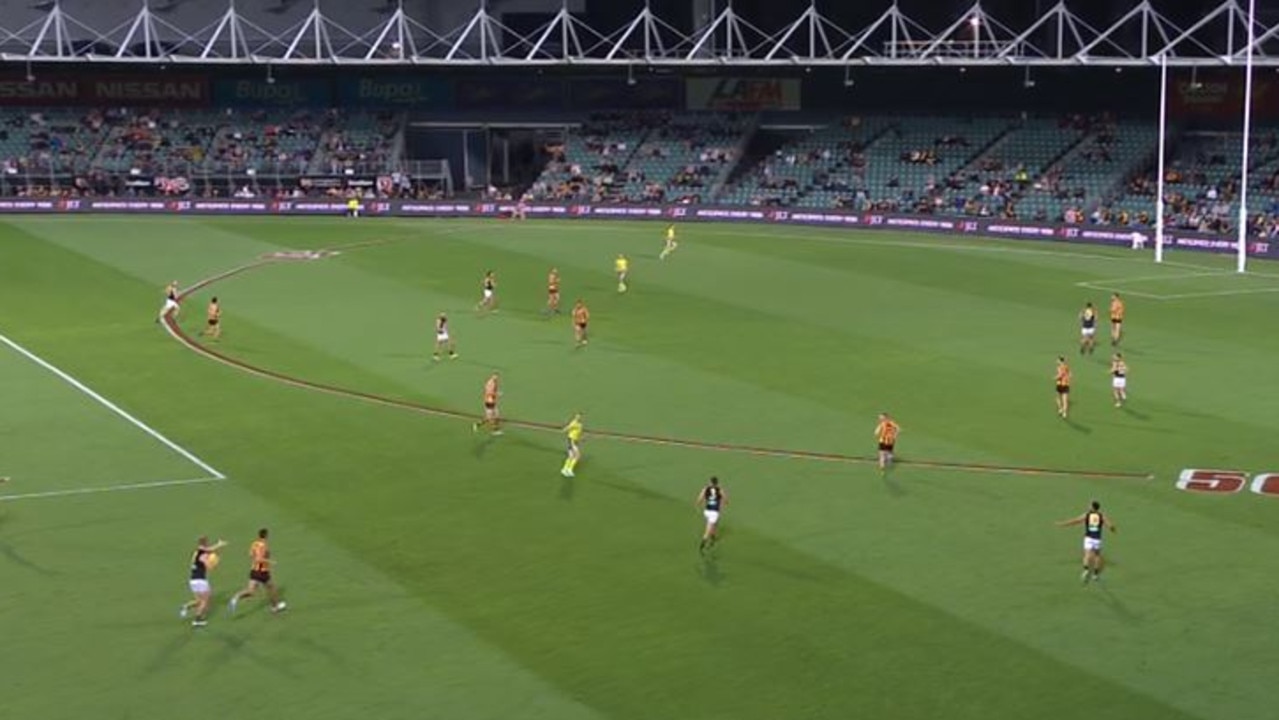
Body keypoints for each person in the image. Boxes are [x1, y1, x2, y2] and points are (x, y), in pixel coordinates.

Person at [1056, 500, 1116, 584]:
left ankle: (1086, 570)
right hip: (1097, 538)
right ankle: (1095, 574)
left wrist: (1062, 524)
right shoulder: (1101, 516)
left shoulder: (1087, 515)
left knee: (1087, 554)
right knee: (1097, 556)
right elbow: (1111, 526)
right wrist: (1112, 529)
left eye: (1090, 505)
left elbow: (1075, 521)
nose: (1088, 506)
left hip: (1088, 538)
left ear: (1092, 507)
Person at [228, 528, 287, 614]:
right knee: (271, 588)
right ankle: (275, 607)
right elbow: (259, 559)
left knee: (251, 591)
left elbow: (251, 555)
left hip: (254, 570)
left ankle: (235, 597)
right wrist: (270, 562)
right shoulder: (263, 545)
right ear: (266, 535)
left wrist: (257, 560)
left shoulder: (254, 544)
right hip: (262, 572)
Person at [180, 536, 227, 627]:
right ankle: (197, 619)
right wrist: (214, 562)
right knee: (205, 601)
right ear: (205, 544)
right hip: (200, 580)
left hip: (193, 580)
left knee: (198, 601)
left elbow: (209, 551)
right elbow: (209, 565)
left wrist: (218, 547)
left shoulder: (197, 553)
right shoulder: (201, 552)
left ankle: (186, 606)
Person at [696, 477, 727, 553]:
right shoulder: (720, 490)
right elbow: (725, 500)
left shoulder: (705, 489)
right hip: (714, 512)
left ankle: (713, 537)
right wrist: (721, 505)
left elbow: (699, 499)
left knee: (714, 525)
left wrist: (698, 505)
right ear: (717, 483)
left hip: (707, 511)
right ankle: (703, 544)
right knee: (708, 529)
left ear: (710, 482)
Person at [560, 413, 584, 477]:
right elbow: (567, 428)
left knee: (571, 456)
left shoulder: (580, 424)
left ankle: (565, 469)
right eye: (577, 416)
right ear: (575, 417)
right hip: (571, 440)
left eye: (580, 417)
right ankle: (569, 469)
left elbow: (578, 433)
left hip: (575, 440)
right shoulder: (574, 423)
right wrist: (564, 429)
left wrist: (580, 439)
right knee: (577, 455)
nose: (578, 418)